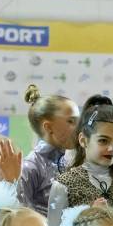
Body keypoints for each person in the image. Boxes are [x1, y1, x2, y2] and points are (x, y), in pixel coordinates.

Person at [18, 86, 78, 217]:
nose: (78, 127)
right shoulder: (31, 167)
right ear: (48, 127)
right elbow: (21, 214)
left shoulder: (67, 163)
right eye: (71, 121)